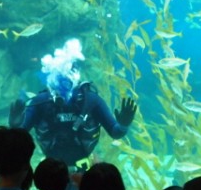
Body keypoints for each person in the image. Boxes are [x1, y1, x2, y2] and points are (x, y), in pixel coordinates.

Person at [9, 38, 137, 171]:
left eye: (67, 80)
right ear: (52, 79)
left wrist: (123, 125)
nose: (63, 86)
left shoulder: (91, 101)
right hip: (51, 170)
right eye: (59, 79)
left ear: (76, 78)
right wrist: (15, 128)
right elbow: (19, 138)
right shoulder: (40, 102)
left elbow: (115, 132)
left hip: (83, 170)